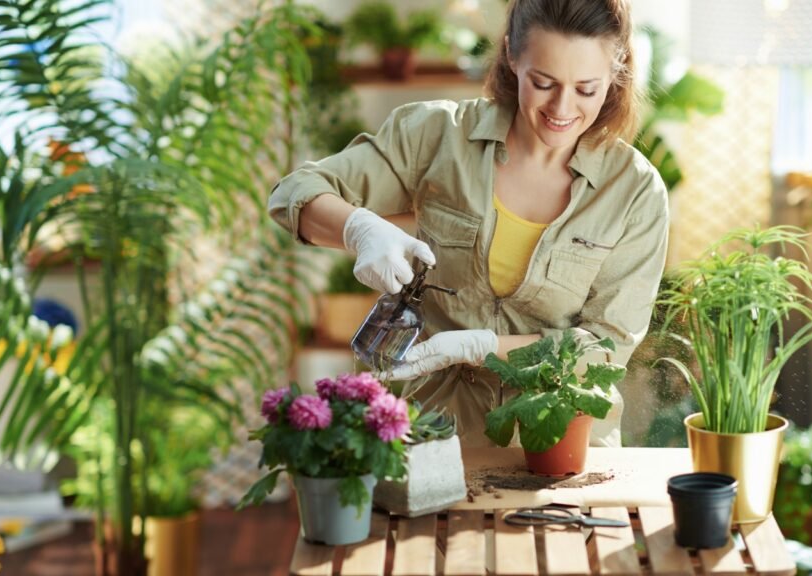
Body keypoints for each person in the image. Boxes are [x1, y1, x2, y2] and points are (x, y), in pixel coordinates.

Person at [269, 0, 668, 448]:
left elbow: (606, 348)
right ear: (512, 57)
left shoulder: (633, 192)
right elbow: (293, 193)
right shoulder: (436, 136)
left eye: (586, 89)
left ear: (615, 75)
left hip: (564, 449)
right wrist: (359, 228)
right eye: (543, 82)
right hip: (436, 435)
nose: (562, 107)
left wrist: (482, 348)